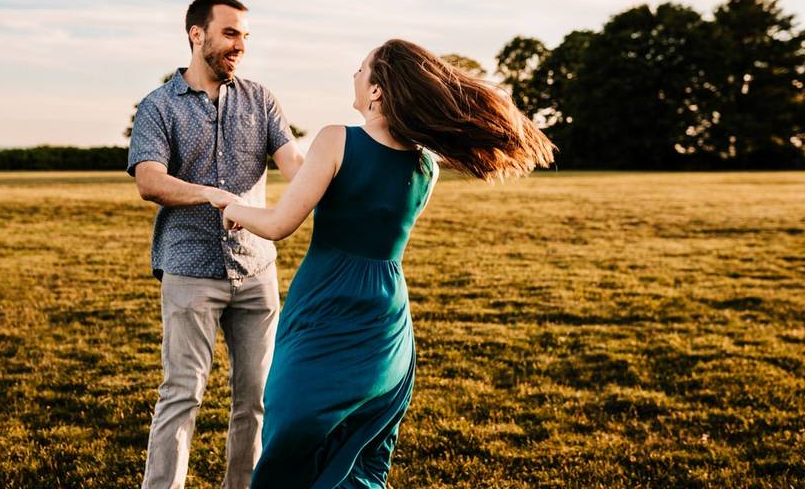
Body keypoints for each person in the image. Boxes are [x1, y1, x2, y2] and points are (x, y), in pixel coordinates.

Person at [222, 38, 557, 488]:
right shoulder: (426, 168)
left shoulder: (336, 139)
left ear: (377, 91)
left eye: (362, 69)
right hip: (386, 316)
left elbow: (281, 222)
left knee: (291, 433)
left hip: (327, 304)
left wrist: (230, 207)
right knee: (360, 446)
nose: (355, 77)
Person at [127, 0, 306, 489]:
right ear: (196, 35)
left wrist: (338, 171)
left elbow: (294, 163)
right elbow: (149, 180)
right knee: (182, 393)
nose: (241, 45)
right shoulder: (158, 106)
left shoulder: (261, 99)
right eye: (230, 34)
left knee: (257, 398)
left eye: (245, 36)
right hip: (189, 270)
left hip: (256, 269)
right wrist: (212, 195)